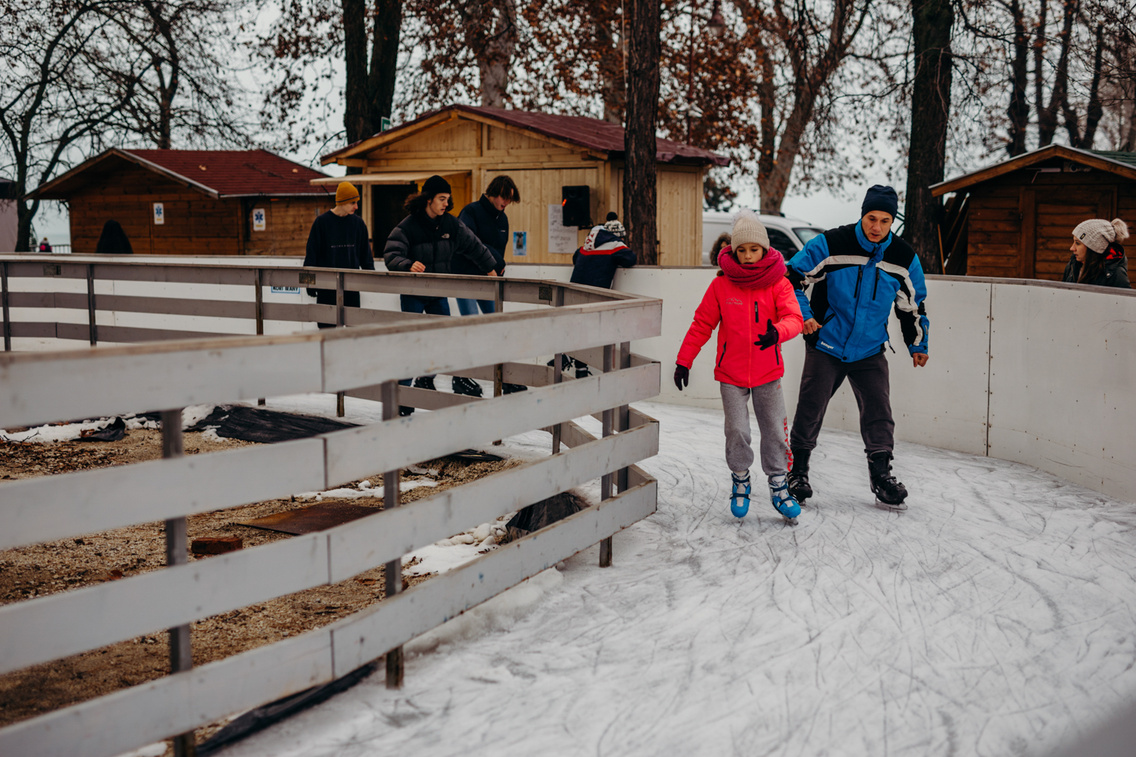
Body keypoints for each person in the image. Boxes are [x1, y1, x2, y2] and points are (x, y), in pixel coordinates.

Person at [784, 185, 929, 511]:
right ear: (862, 215)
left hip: (870, 350)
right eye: (871, 218)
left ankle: (881, 476)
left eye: (885, 220)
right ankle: (798, 472)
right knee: (811, 407)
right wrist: (805, 315)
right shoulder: (833, 243)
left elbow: (912, 306)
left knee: (880, 412)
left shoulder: (903, 257)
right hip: (826, 344)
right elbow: (791, 276)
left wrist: (917, 342)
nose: (876, 227)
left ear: (893, 220)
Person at [673, 210, 804, 524]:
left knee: (774, 431)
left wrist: (777, 333)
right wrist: (683, 360)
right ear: (732, 251)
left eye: (753, 249)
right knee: (736, 431)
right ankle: (741, 479)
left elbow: (795, 319)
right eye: (741, 250)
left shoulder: (778, 283)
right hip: (731, 374)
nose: (747, 256)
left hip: (767, 373)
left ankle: (778, 484)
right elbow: (702, 324)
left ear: (764, 249)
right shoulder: (721, 286)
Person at [384, 175, 500, 408]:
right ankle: (402, 396)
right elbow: (391, 254)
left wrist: (491, 270)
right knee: (412, 343)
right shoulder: (409, 226)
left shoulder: (451, 224)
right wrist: (407, 264)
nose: (446, 203)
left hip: (438, 293)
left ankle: (426, 380)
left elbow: (475, 246)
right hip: (413, 293)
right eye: (441, 199)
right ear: (428, 200)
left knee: (442, 339)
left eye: (448, 199)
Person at [453, 175, 525, 395]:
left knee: (498, 326)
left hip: (488, 279)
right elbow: (468, 242)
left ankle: (506, 377)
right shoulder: (471, 212)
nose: (506, 203)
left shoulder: (502, 220)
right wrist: (494, 263)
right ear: (494, 192)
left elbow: (497, 251)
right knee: (472, 326)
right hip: (466, 277)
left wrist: (497, 268)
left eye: (509, 200)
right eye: (504, 197)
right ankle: (461, 377)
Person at [566, 212, 638, 379]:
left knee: (580, 333)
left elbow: (575, 257)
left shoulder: (587, 243)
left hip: (574, 295)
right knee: (598, 334)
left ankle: (579, 368)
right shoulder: (614, 245)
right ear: (618, 236)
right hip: (595, 298)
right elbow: (630, 258)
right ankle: (569, 357)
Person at [302, 181, 374, 329]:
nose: (356, 206)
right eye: (353, 202)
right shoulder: (322, 223)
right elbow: (311, 254)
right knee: (326, 330)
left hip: (351, 287)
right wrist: (309, 283)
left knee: (354, 329)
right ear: (341, 202)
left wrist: (370, 277)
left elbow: (365, 255)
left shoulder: (358, 223)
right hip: (327, 287)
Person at [1063, 218, 1130, 289]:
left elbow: (1125, 300)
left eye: (1077, 243)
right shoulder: (1072, 266)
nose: (1072, 248)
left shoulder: (1115, 275)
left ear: (1094, 247)